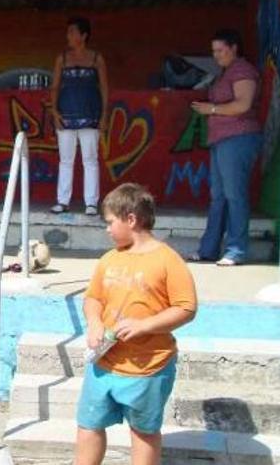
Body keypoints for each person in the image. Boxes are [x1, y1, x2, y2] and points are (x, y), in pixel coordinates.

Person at [76, 183, 197, 465]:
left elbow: (186, 308)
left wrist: (145, 325)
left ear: (131, 219)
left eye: (110, 222)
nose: (106, 229)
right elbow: (93, 297)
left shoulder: (168, 260)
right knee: (88, 425)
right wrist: (94, 322)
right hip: (104, 365)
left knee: (143, 432)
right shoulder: (109, 259)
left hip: (148, 368)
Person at [189, 29, 262, 266]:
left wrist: (210, 109)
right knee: (218, 197)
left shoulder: (243, 70)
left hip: (238, 138)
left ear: (234, 48)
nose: (216, 55)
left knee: (234, 195)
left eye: (220, 50)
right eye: (214, 51)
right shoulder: (225, 73)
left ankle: (236, 250)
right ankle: (208, 249)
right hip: (220, 140)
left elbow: (243, 104)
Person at [49, 16, 109, 216]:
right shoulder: (62, 59)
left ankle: (91, 203)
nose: (68, 36)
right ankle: (62, 201)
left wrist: (104, 115)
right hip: (66, 114)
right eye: (68, 32)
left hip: (91, 115)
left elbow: (104, 88)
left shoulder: (96, 58)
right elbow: (55, 87)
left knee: (90, 160)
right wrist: (55, 112)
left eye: (72, 32)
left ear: (83, 36)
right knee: (65, 160)